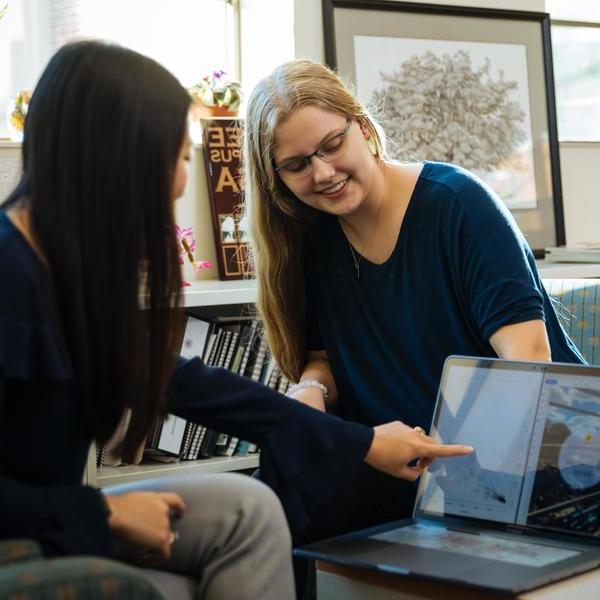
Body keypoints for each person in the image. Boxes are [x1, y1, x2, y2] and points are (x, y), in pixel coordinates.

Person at [0, 42, 473, 600]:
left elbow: (192, 386)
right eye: (177, 157)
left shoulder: (65, 272)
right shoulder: (9, 274)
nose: (181, 182)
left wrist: (359, 441)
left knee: (251, 507)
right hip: (28, 524)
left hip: (49, 513)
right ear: (114, 157)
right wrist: (99, 513)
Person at [243, 59, 585, 549]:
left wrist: (461, 480)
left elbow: (530, 361)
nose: (323, 173)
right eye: (297, 165)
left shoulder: (458, 204)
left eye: (332, 146)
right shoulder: (308, 236)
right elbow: (323, 357)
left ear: (361, 126)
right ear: (276, 177)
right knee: (264, 507)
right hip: (400, 465)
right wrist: (309, 391)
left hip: (525, 461)